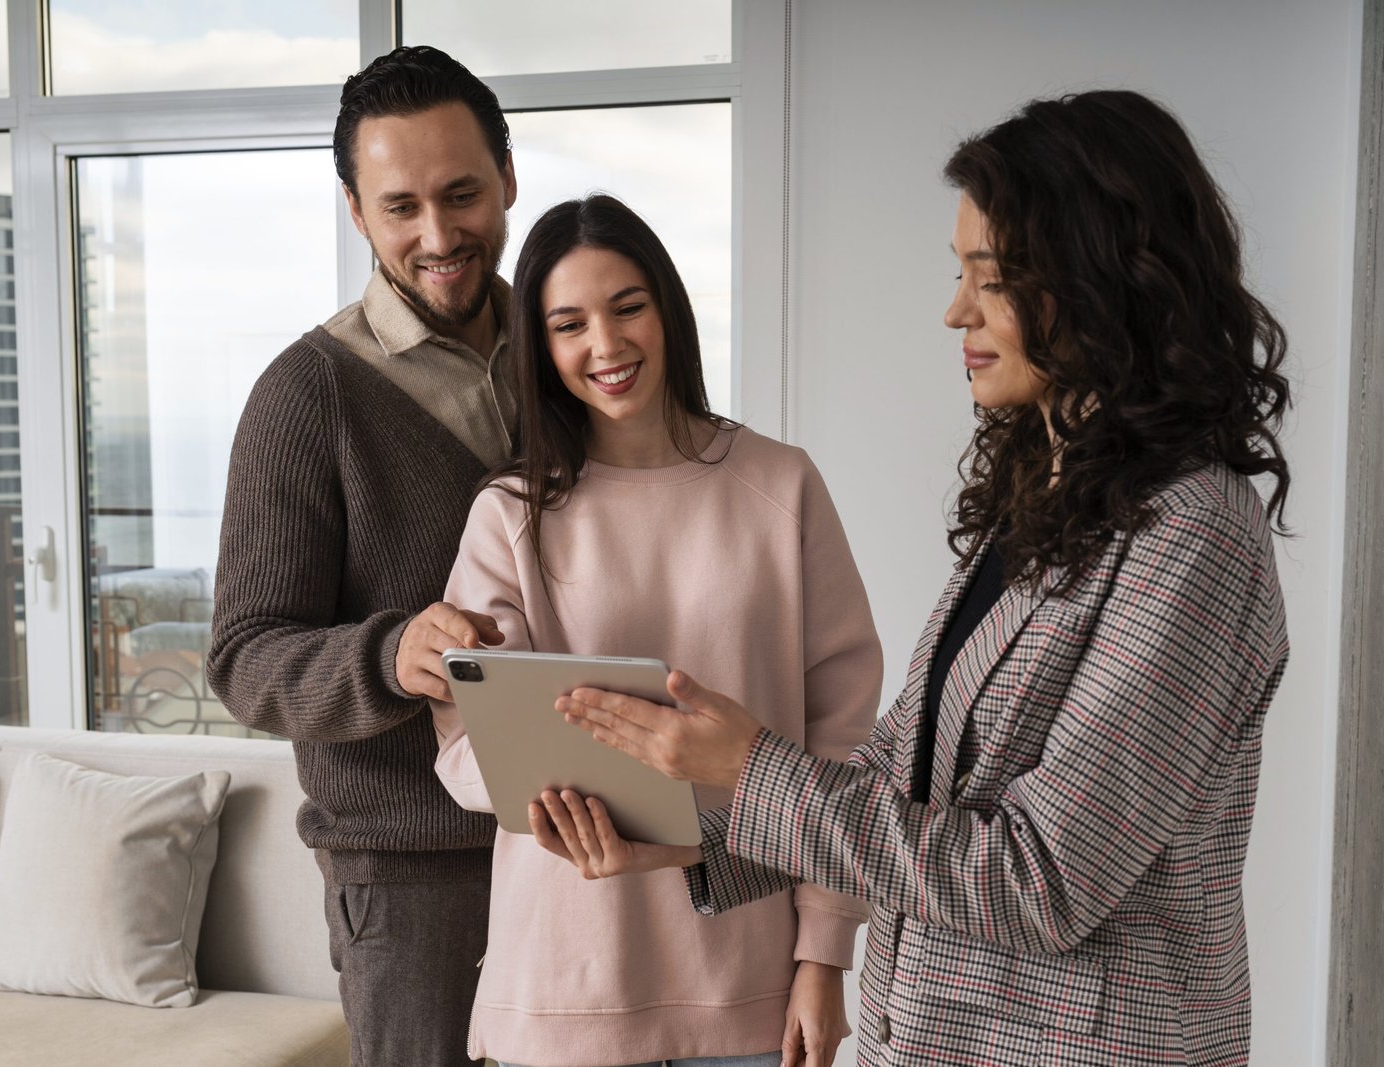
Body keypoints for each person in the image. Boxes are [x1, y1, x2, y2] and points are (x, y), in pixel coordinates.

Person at [533, 91, 1293, 1067]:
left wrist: (749, 764)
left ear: (1104, 281)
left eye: (993, 277)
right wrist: (694, 838)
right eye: (958, 272)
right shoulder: (1046, 498)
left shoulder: (1192, 533)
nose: (955, 310)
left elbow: (1040, 875)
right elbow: (902, 778)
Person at [427, 194, 883, 1067]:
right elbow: (462, 742)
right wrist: (549, 801)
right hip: (563, 983)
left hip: (748, 986)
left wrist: (823, 957)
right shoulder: (508, 515)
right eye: (569, 324)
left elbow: (845, 742)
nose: (606, 345)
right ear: (541, 346)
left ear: (668, 308)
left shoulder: (781, 486)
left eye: (628, 306)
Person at [207, 45, 521, 1067]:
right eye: (401, 207)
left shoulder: (572, 359)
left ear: (509, 180)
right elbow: (245, 658)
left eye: (462, 194)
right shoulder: (308, 394)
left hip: (587, 846)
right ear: (356, 210)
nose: (438, 235)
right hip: (409, 878)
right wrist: (390, 656)